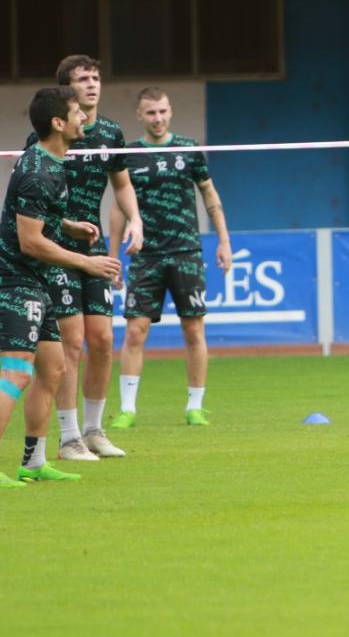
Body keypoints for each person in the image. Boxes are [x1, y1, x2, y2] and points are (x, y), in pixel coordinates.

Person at [23, 55, 143, 461]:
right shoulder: (45, 138)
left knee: (103, 340)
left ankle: (94, 431)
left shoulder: (111, 132)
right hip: (56, 248)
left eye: (96, 77)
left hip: (92, 248)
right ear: (67, 91)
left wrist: (136, 221)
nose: (92, 84)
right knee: (70, 343)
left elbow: (122, 185)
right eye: (82, 79)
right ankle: (68, 436)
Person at [1, 87, 123, 486]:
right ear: (58, 123)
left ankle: (33, 462)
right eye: (76, 112)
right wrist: (86, 261)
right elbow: (30, 241)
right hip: (14, 279)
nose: (83, 117)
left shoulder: (53, 162)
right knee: (16, 372)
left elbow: (37, 219)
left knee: (52, 368)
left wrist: (69, 226)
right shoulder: (38, 170)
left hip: (35, 279)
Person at [109, 88, 233, 428]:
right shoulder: (129, 154)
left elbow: (210, 195)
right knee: (135, 330)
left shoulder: (189, 150)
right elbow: (119, 208)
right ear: (139, 116)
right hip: (145, 255)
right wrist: (112, 255)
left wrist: (224, 241)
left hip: (186, 252)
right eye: (151, 113)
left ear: (171, 111)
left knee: (194, 330)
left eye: (163, 111)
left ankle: (195, 406)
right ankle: (128, 409)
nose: (158, 119)